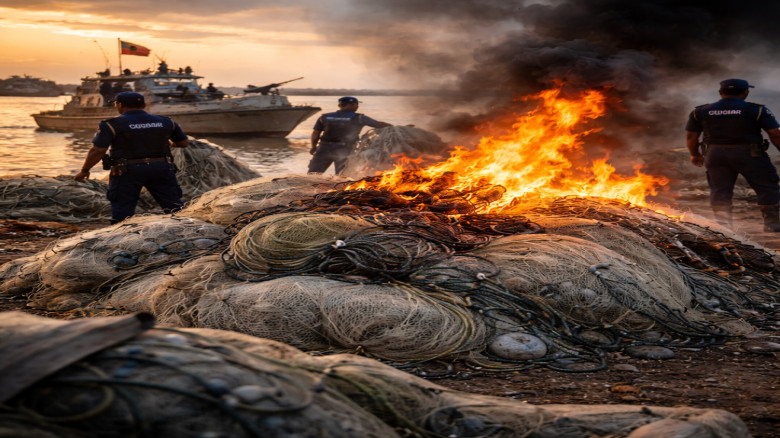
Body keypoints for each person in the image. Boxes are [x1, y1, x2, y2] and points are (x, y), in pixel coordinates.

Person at [74, 92, 189, 224]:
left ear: (120, 105)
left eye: (115, 103)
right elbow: (183, 143)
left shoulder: (111, 124)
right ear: (144, 105)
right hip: (161, 168)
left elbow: (98, 151)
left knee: (122, 210)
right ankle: (186, 229)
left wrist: (85, 170)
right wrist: (168, 143)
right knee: (174, 206)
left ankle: (123, 233)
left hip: (127, 171)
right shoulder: (167, 122)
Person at [686, 78, 780, 231]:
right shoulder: (757, 110)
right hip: (750, 154)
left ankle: (724, 226)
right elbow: (775, 134)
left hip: (715, 155)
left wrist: (694, 154)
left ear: (720, 92)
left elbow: (691, 136)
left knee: (720, 189)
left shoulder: (700, 111)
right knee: (767, 185)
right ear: (746, 92)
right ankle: (772, 225)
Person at [308, 96, 392, 175]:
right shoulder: (359, 118)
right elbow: (379, 124)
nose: (357, 106)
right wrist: (394, 127)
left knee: (313, 174)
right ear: (352, 104)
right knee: (342, 175)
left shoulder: (324, 117)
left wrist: (313, 147)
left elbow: (315, 134)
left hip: (324, 149)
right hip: (346, 149)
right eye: (356, 104)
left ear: (339, 105)